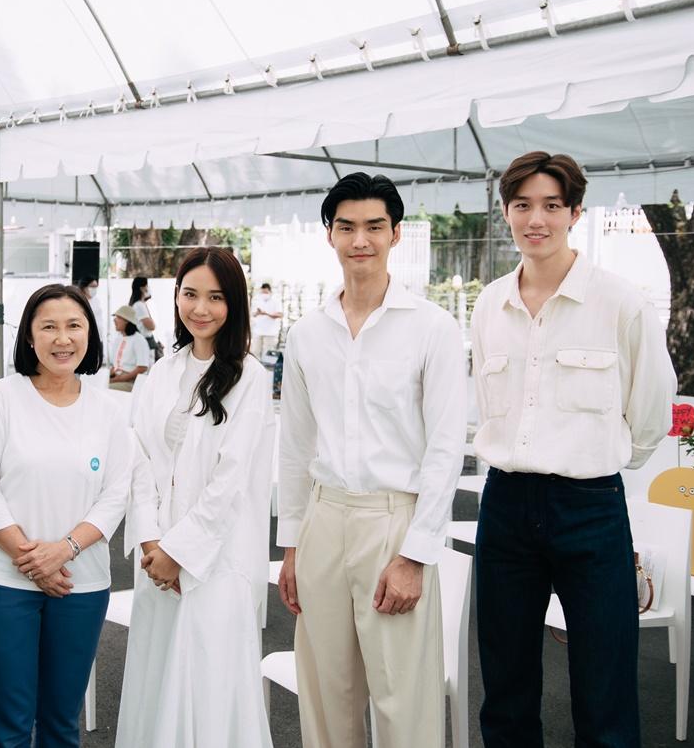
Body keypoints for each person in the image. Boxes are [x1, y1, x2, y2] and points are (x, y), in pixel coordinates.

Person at [470, 152, 676, 748]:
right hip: (505, 505)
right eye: (522, 205)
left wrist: (602, 460)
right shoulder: (490, 304)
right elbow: (487, 402)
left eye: (552, 206)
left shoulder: (620, 302)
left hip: (590, 508)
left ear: (575, 213)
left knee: (604, 685)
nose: (536, 219)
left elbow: (651, 408)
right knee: (505, 683)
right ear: (506, 212)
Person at [276, 173, 466, 748]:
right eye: (347, 227)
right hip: (323, 519)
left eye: (374, 227)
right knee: (326, 695)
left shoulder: (432, 328)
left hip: (394, 523)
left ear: (395, 234)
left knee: (403, 699)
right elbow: (295, 446)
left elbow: (445, 450)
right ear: (330, 235)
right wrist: (292, 546)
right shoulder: (307, 334)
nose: (360, 240)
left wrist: (415, 555)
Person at [0, 283, 134, 748]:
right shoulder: (0, 397)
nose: (63, 338)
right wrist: (33, 561)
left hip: (80, 583)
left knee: (61, 722)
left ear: (89, 334)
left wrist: (64, 550)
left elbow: (116, 494)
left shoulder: (108, 411)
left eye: (74, 325)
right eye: (49, 327)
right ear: (29, 336)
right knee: (9, 726)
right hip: (0, 582)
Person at [117, 247, 276, 748]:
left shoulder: (249, 377)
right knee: (158, 679)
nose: (200, 308)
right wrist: (151, 541)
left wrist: (179, 553)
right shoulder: (162, 371)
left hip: (217, 560)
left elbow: (230, 481)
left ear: (234, 304)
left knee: (209, 685)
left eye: (215, 297)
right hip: (157, 559)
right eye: (190, 294)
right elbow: (139, 460)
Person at [109, 305, 151, 391]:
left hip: (131, 382)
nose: (114, 320)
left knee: (104, 388)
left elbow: (142, 367)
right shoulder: (118, 339)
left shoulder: (138, 339)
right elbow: (115, 366)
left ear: (127, 321)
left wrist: (120, 379)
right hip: (118, 378)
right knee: (96, 386)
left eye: (118, 317)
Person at [129, 276, 162, 360]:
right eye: (147, 286)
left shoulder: (139, 304)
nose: (148, 288)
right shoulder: (139, 305)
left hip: (144, 342)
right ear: (142, 288)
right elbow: (151, 326)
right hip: (145, 342)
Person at [250, 282, 283, 359]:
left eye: (266, 292)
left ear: (270, 291)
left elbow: (280, 315)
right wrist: (258, 313)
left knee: (268, 354)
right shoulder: (257, 300)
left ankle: (267, 366)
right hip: (258, 331)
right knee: (255, 352)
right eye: (262, 292)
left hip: (270, 332)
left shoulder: (276, 301)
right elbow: (253, 314)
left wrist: (266, 313)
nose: (264, 294)